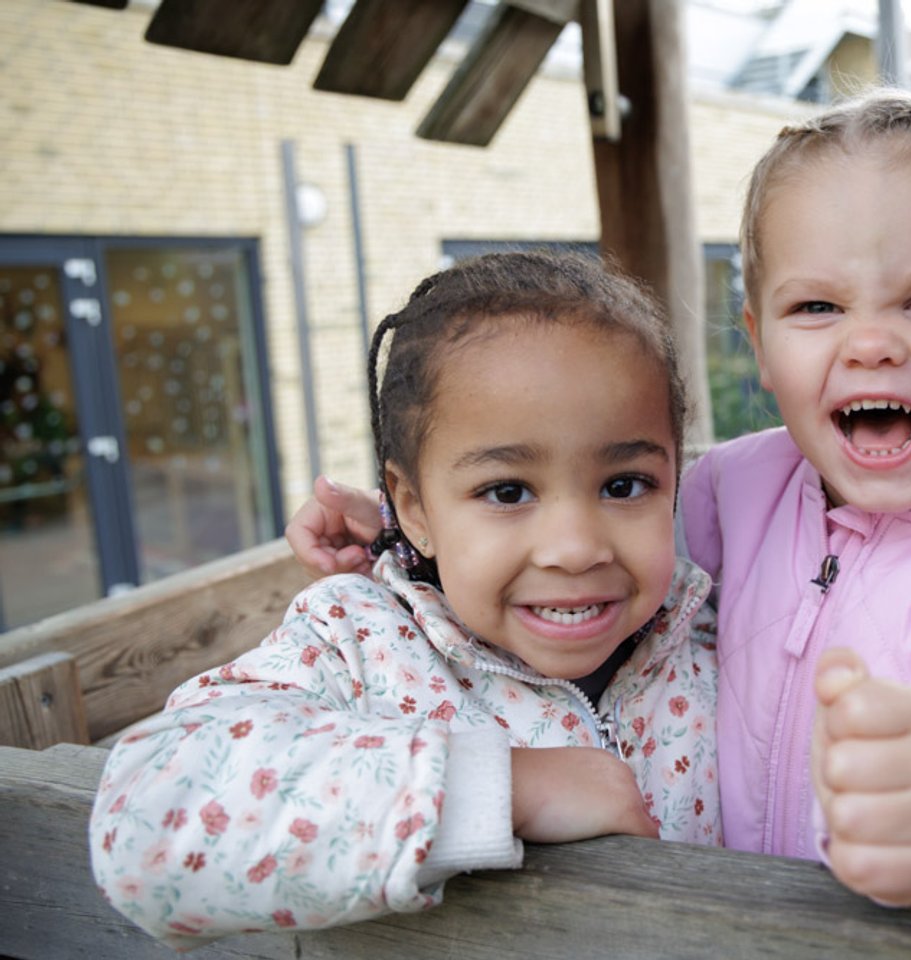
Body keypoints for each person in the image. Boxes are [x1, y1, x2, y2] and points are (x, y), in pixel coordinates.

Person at [286, 89, 911, 909]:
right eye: (818, 309)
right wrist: (410, 544)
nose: (871, 344)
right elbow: (580, 544)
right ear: (762, 346)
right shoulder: (732, 492)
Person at [89, 251, 721, 947]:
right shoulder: (359, 645)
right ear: (413, 508)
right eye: (507, 492)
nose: (575, 547)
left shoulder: (714, 633)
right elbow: (149, 818)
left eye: (625, 484)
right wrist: (505, 788)